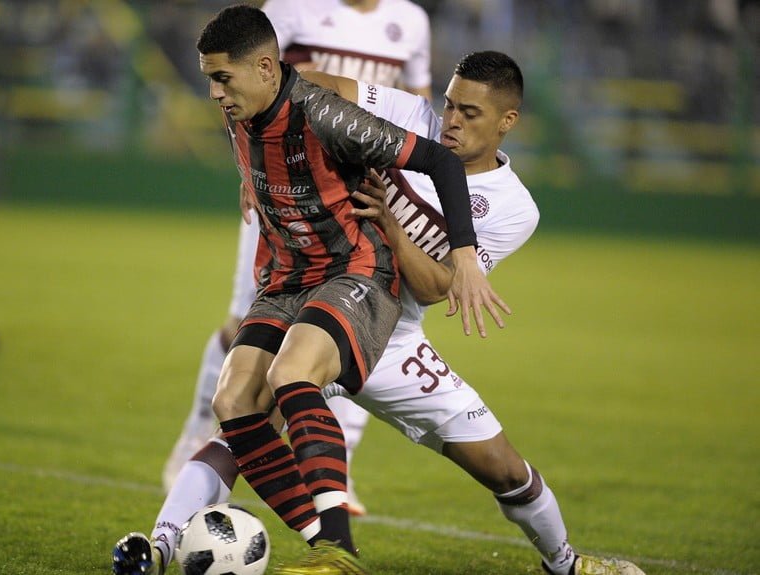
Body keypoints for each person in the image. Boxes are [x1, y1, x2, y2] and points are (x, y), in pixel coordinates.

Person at [113, 51, 646, 575]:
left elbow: (439, 286)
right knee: (241, 417)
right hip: (323, 295)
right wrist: (262, 132)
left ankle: (566, 562)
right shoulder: (409, 115)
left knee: (504, 468)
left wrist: (391, 226)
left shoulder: (514, 207)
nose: (451, 121)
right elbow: (315, 86)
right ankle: (164, 544)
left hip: (395, 334)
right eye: (450, 104)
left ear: (508, 121)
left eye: (470, 113)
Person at [126, 5, 504, 575]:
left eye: (221, 78)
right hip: (287, 274)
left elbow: (441, 164)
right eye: (209, 78)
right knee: (232, 404)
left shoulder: (327, 115)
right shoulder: (240, 111)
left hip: (354, 269)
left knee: (291, 374)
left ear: (264, 69)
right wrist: (249, 184)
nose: (213, 92)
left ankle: (336, 545)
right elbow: (251, 148)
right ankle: (318, 541)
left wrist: (465, 256)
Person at [161, 0, 436, 513]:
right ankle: (198, 435)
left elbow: (418, 103)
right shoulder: (292, 7)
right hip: (281, 192)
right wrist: (251, 172)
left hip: (347, 182)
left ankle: (337, 469)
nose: (213, 89)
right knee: (243, 324)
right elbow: (249, 85)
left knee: (352, 332)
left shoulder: (412, 20)